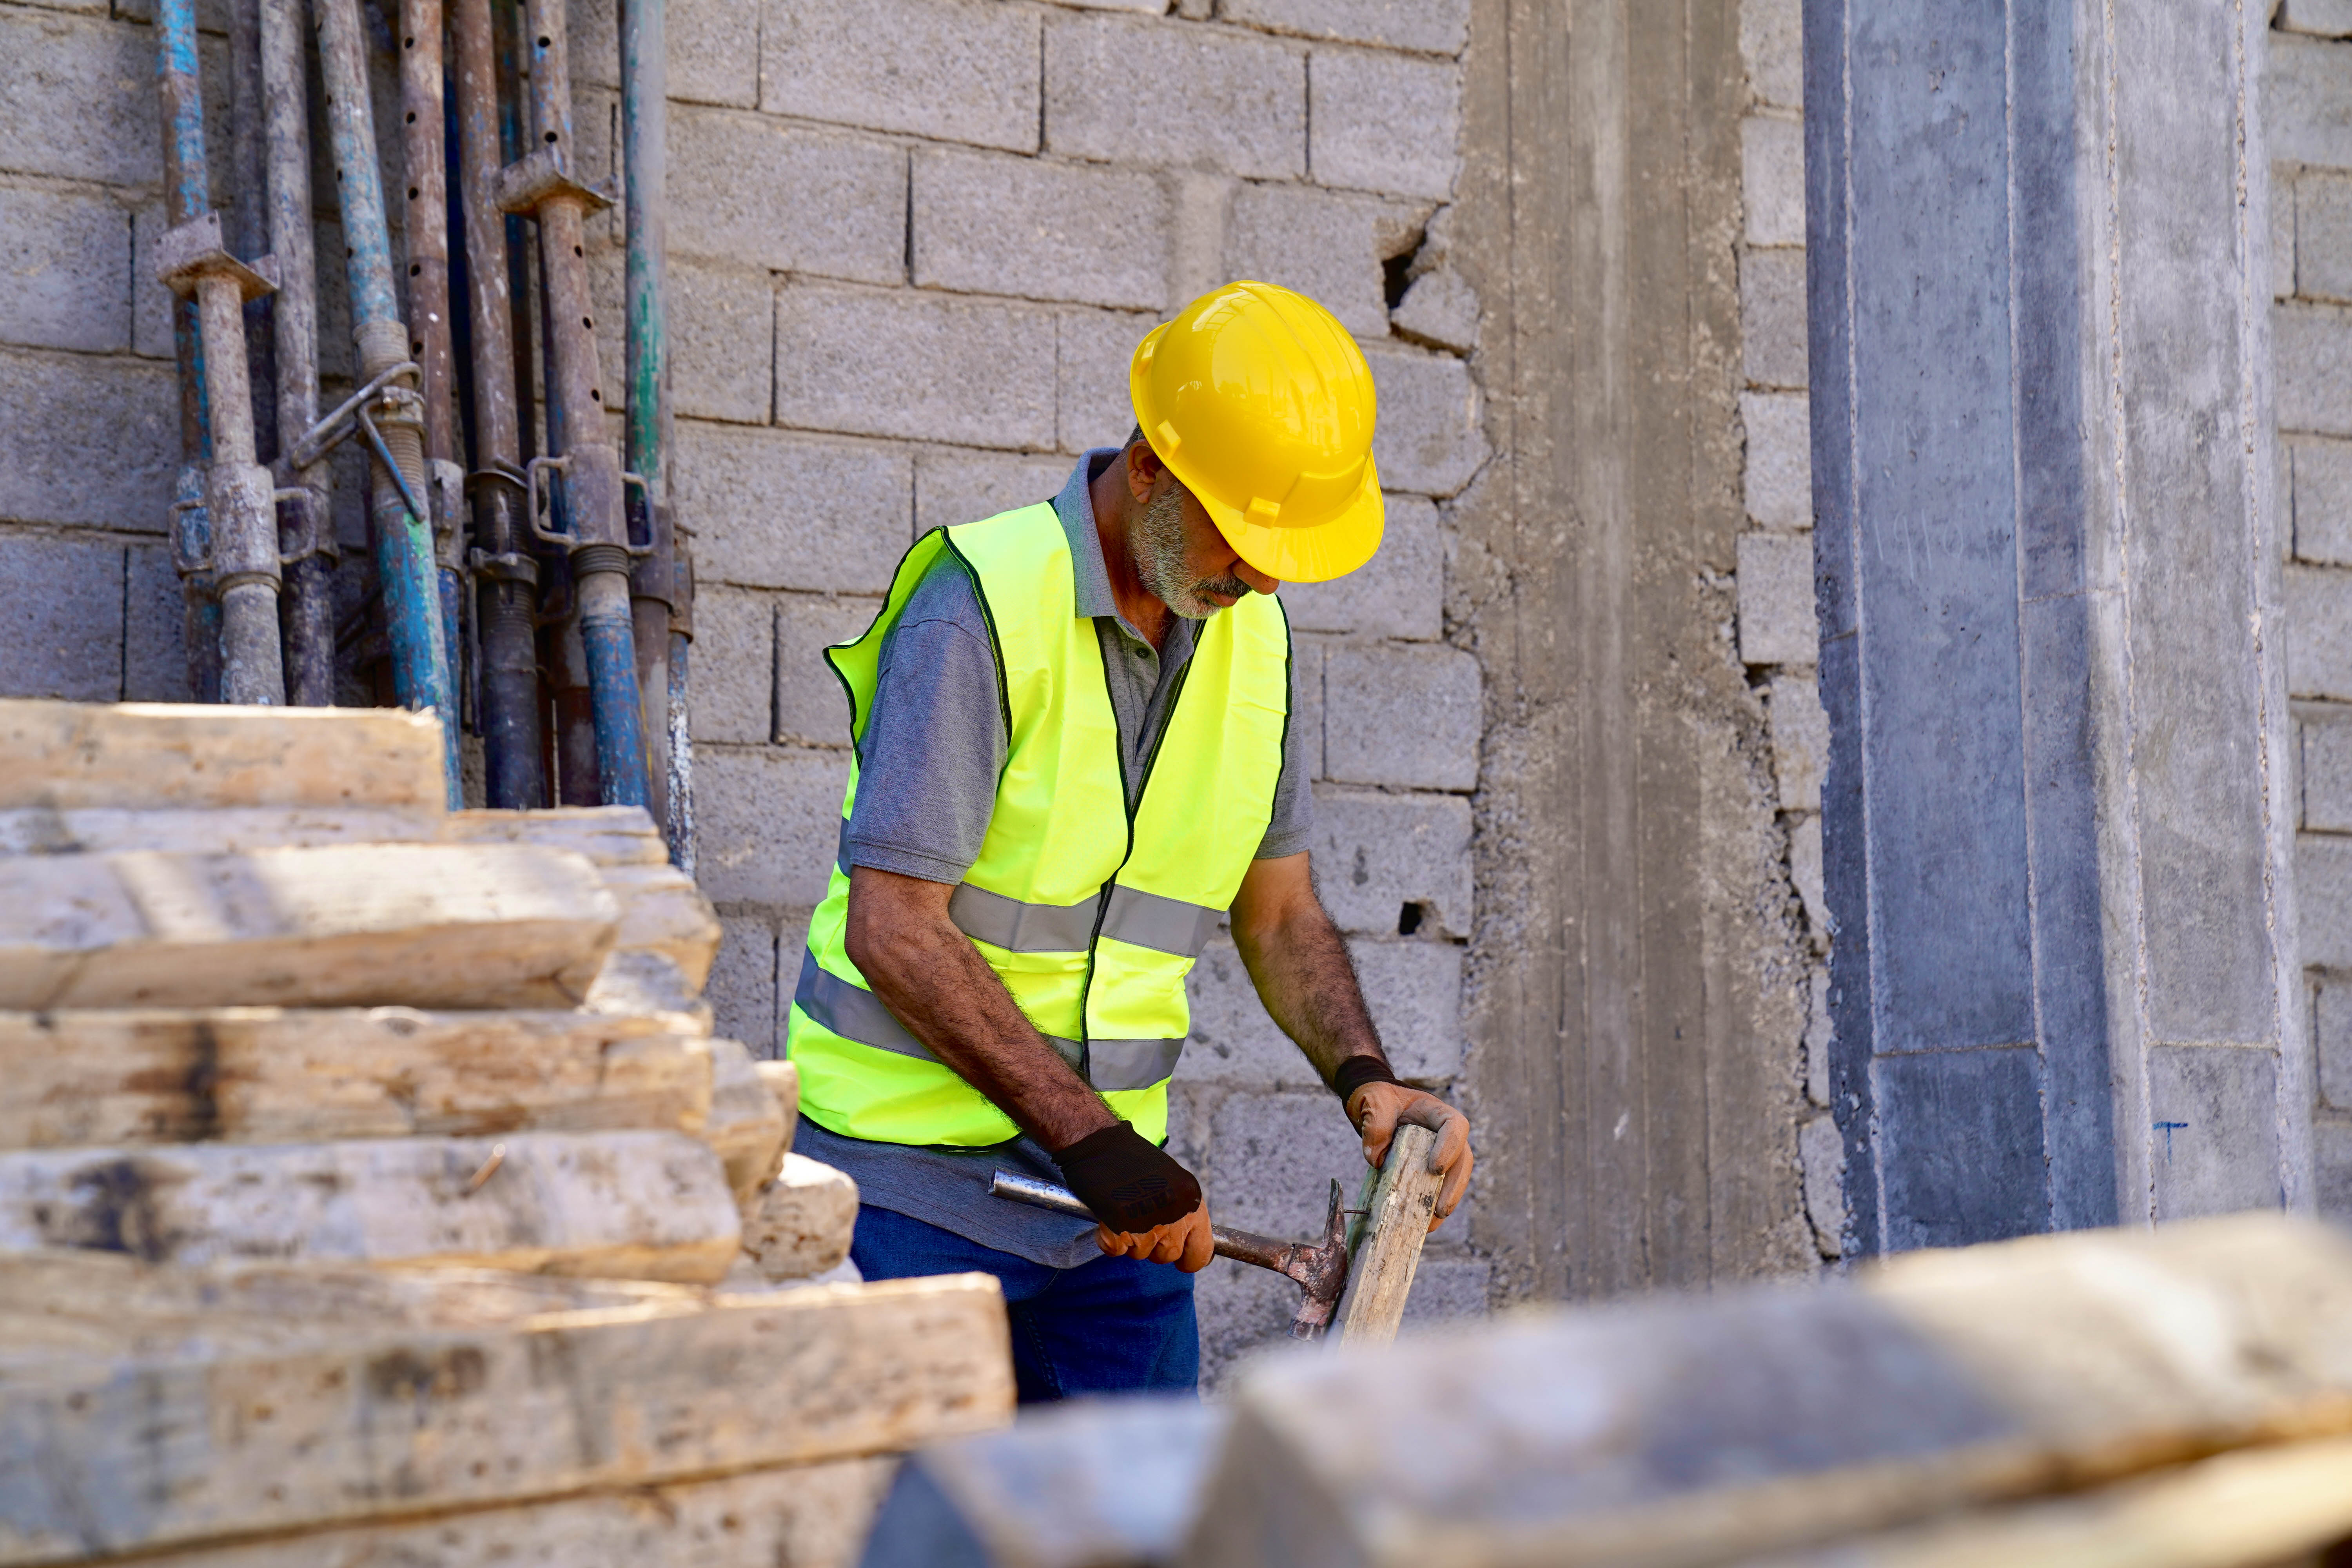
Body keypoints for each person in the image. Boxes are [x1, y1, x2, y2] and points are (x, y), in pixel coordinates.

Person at [783, 279, 1475, 1402]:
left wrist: (1367, 1078)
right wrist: (1093, 1142)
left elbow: (1280, 908)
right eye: (1241, 537)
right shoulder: (982, 606)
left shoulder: (1247, 639)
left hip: (1111, 1230)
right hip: (907, 1203)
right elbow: (895, 930)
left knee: (1151, 1528)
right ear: (1150, 464)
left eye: (1277, 552)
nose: (1259, 577)